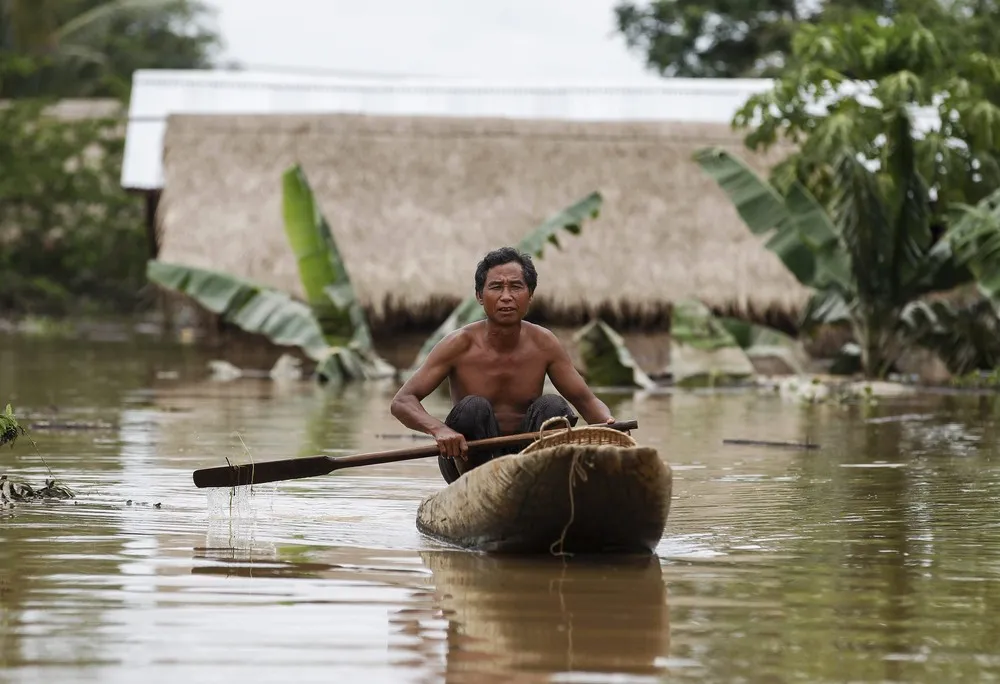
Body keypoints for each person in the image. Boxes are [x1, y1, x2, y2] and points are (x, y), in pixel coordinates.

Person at [390, 246, 618, 483]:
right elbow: (402, 402)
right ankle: (479, 488)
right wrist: (440, 430)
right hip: (466, 461)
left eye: (516, 287)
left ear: (530, 295)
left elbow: (586, 401)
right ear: (480, 296)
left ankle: (536, 485)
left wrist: (610, 425)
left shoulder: (545, 343)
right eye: (496, 287)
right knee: (473, 407)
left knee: (553, 407)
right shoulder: (457, 344)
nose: (506, 296)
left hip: (526, 459)